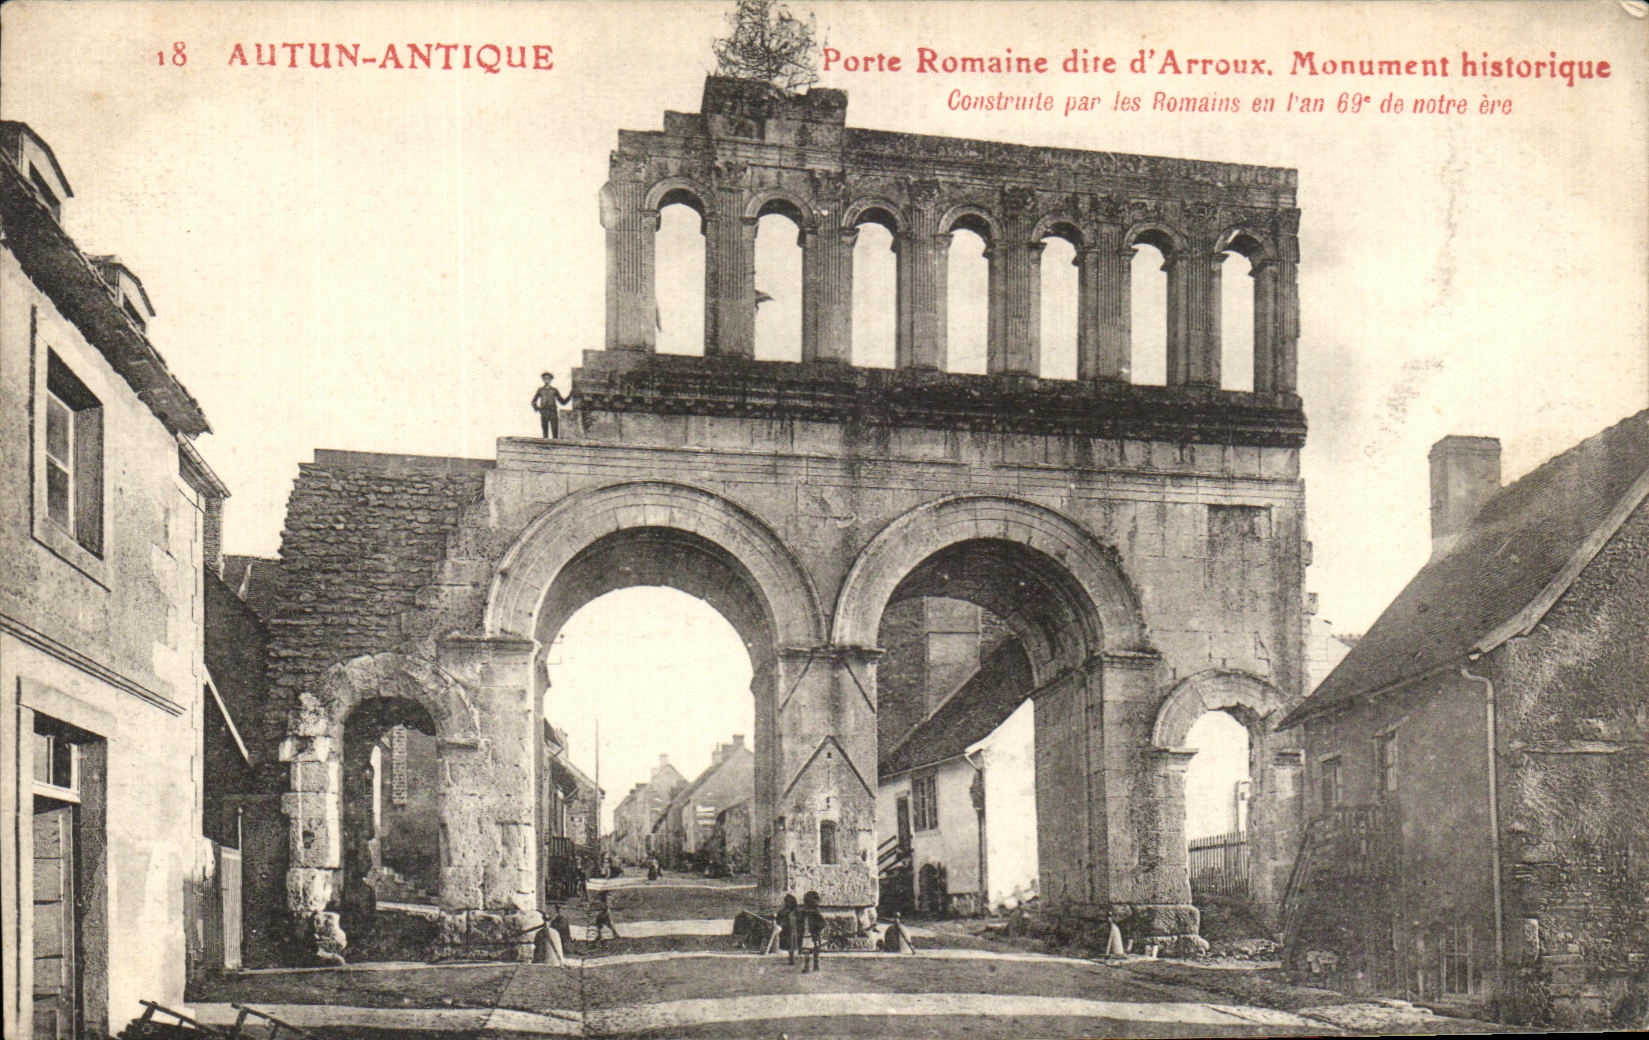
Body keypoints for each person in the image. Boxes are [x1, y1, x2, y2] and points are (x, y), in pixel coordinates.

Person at [531, 372, 571, 439]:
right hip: (544, 412)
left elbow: (562, 402)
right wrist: (538, 409)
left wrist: (570, 396)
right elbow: (533, 401)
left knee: (554, 429)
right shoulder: (540, 390)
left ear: (551, 379)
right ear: (543, 379)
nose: (547, 380)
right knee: (545, 430)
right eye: (545, 378)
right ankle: (545, 445)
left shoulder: (554, 390)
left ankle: (555, 445)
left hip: (553, 412)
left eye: (549, 378)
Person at [799, 890, 827, 973]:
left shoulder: (804, 913)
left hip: (808, 933)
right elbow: (822, 923)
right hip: (813, 934)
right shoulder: (816, 913)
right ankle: (815, 966)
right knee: (815, 950)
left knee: (808, 950)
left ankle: (808, 966)